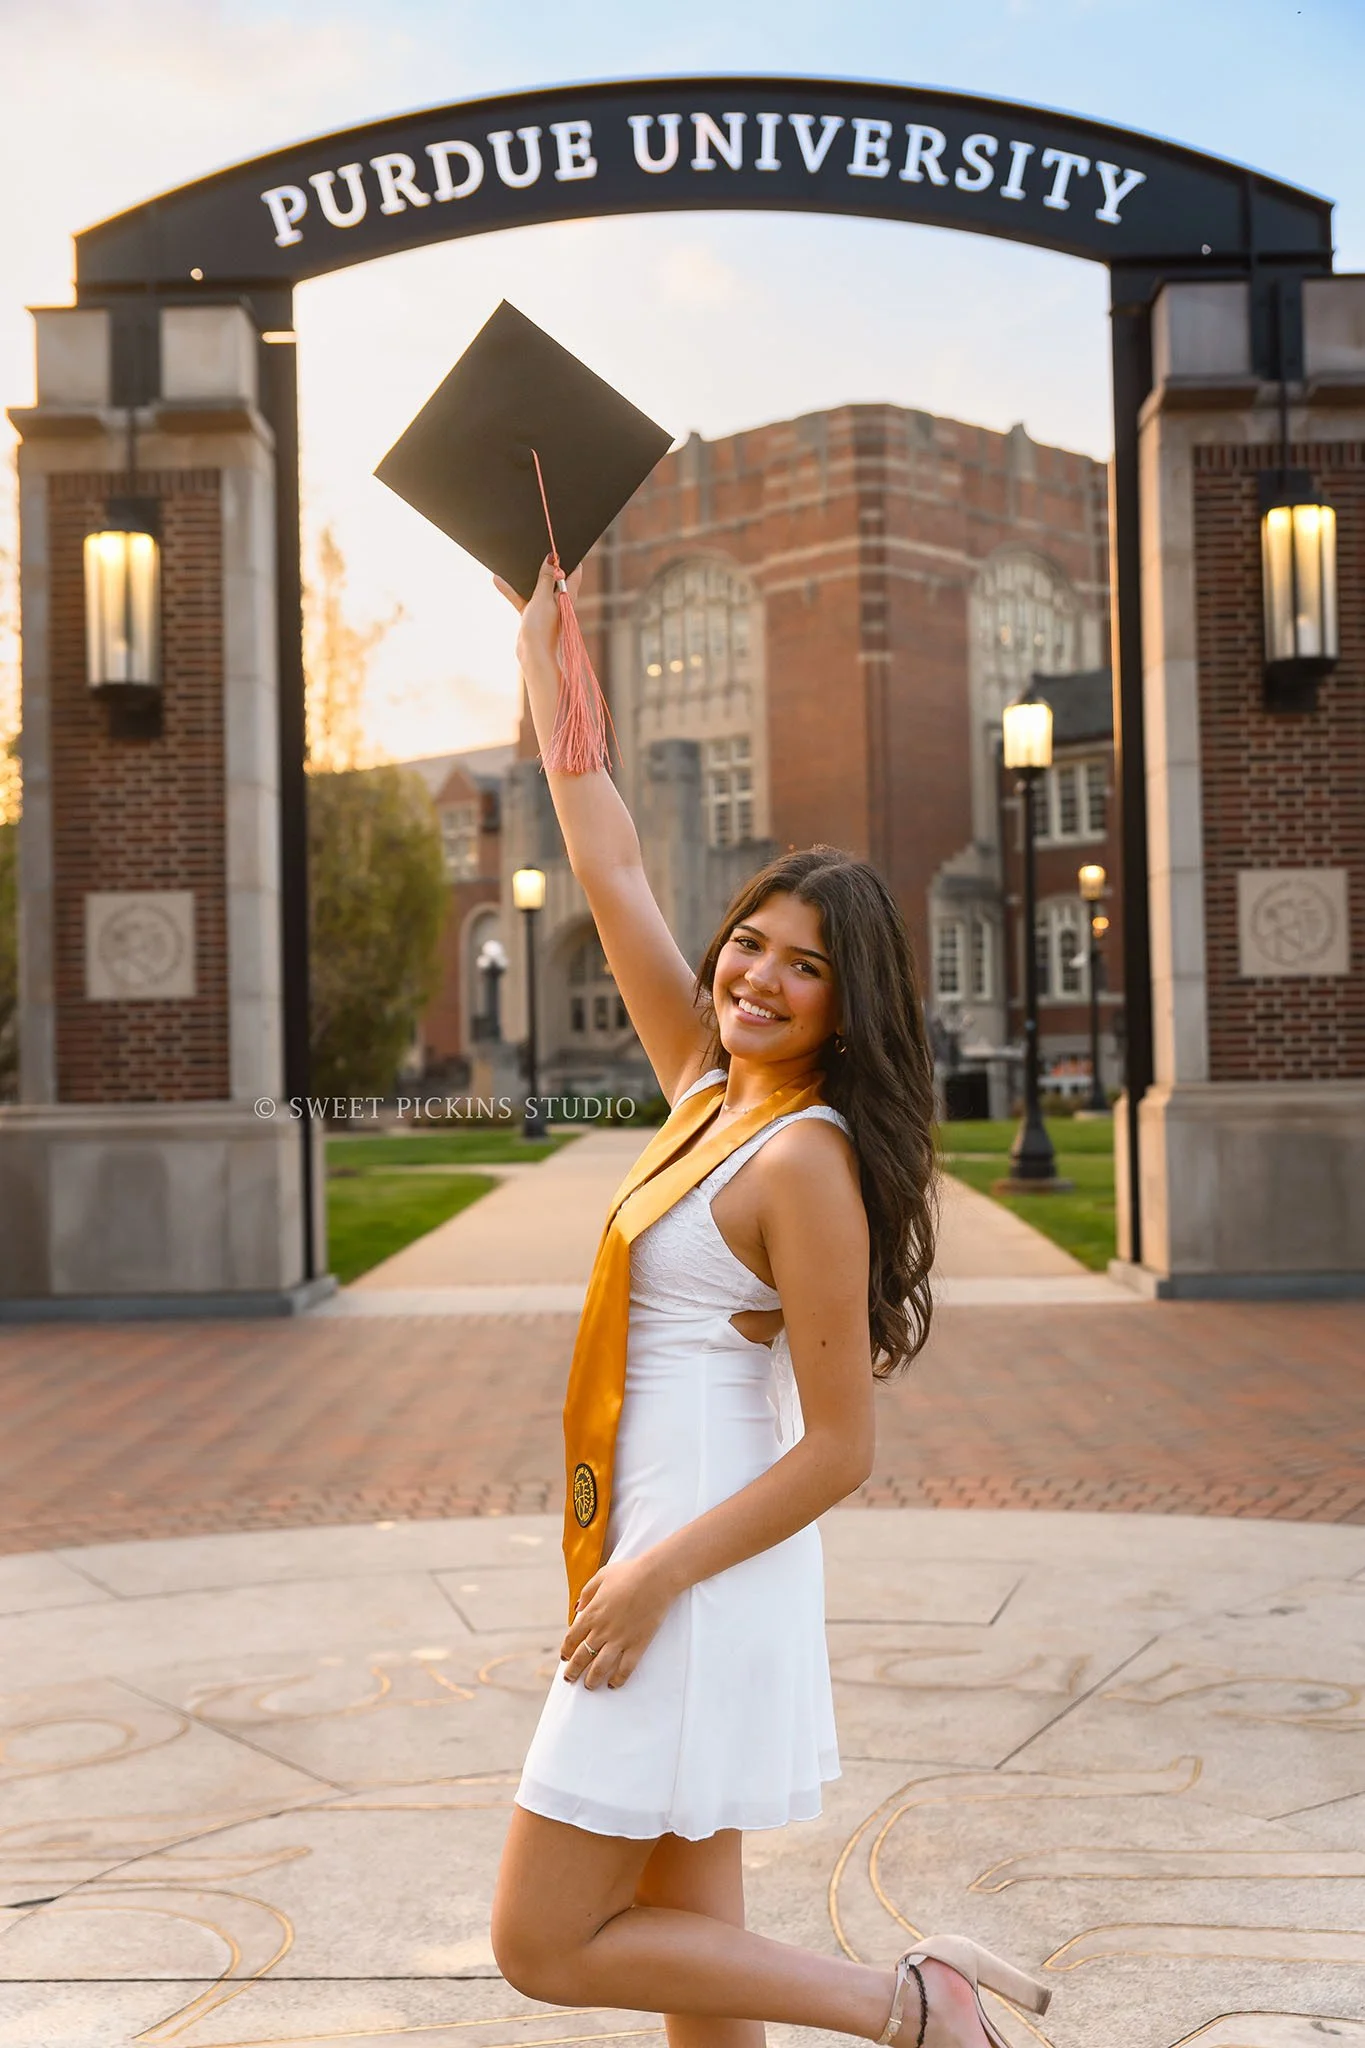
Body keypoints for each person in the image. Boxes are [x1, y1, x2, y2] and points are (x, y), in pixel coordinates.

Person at [488, 560, 1051, 2048]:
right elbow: (611, 865)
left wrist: (654, 1578)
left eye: (806, 968)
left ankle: (908, 2003)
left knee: (544, 1939)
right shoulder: (703, 1090)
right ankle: (911, 2002)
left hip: (691, 1566)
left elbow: (843, 1447)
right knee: (690, 1945)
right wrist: (544, 649)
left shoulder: (803, 1160)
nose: (758, 976)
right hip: (653, 1545)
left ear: (847, 1006)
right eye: (751, 940)